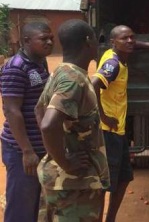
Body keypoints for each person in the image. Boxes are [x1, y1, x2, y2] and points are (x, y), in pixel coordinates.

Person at [90, 25, 149, 222]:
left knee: (124, 178)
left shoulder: (117, 54)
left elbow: (132, 44)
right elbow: (93, 85)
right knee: (106, 184)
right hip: (108, 131)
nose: (129, 41)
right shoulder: (113, 64)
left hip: (118, 130)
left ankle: (110, 219)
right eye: (124, 39)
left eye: (132, 38)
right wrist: (103, 116)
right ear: (113, 43)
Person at [35, 19, 110, 221]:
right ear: (88, 41)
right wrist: (65, 162)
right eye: (96, 38)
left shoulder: (60, 72)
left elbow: (39, 111)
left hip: (62, 182)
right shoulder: (72, 80)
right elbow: (48, 124)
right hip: (74, 186)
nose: (98, 44)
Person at [0, 22, 53, 222]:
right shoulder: (16, 68)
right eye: (43, 39)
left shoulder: (40, 63)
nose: (49, 42)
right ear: (26, 41)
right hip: (22, 150)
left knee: (37, 207)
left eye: (51, 39)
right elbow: (11, 111)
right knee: (21, 210)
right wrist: (27, 151)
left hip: (40, 148)